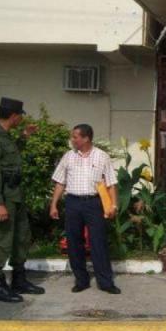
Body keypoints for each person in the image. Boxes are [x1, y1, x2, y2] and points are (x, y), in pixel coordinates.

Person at [0, 97, 44, 303]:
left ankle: (19, 279)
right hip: (3, 198)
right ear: (14, 116)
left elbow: (11, 157)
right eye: (20, 116)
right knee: (0, 239)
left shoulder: (5, 135)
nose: (20, 120)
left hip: (15, 196)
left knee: (20, 237)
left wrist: (24, 137)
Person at [49, 124, 121, 294]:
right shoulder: (68, 156)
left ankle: (105, 282)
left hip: (94, 203)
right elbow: (60, 182)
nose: (72, 140)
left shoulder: (102, 156)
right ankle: (81, 280)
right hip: (73, 202)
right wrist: (54, 204)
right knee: (74, 242)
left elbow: (111, 183)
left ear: (86, 138)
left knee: (98, 242)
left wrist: (113, 205)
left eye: (75, 137)